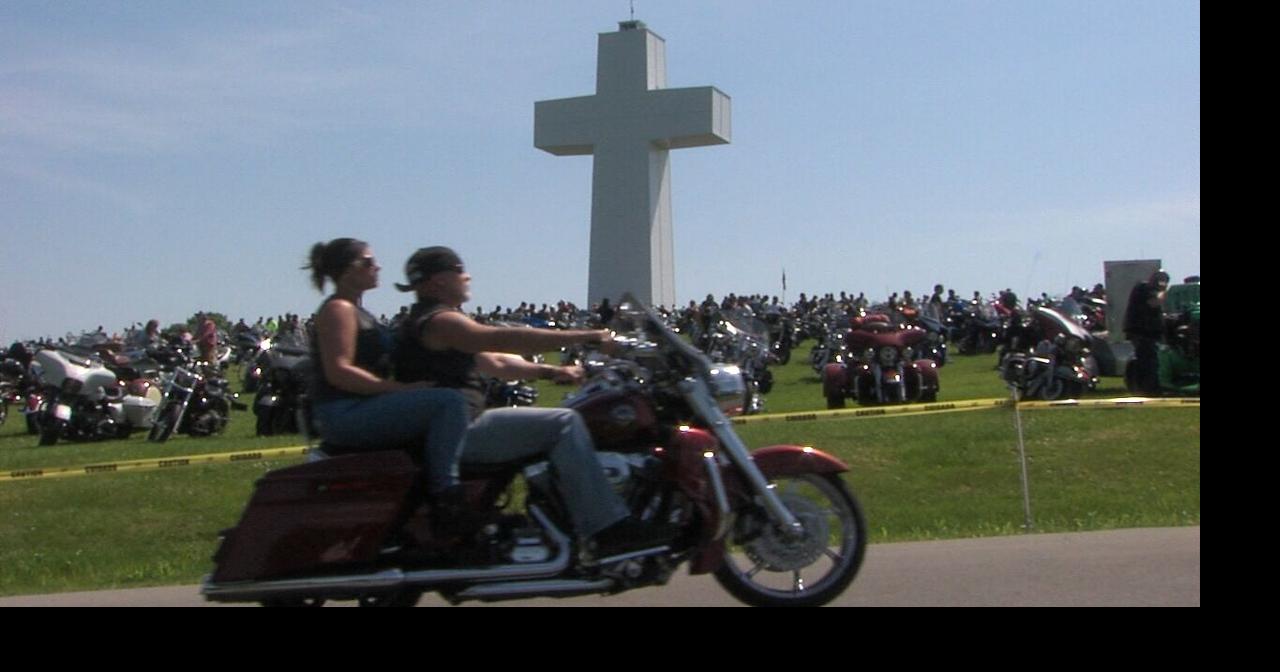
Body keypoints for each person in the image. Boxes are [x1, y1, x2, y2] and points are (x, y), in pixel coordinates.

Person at [392, 246, 676, 558]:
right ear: (438, 281)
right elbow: (499, 339)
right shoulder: (441, 321)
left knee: (560, 417)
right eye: (459, 269)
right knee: (564, 423)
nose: (467, 275)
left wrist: (553, 371)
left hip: (459, 426)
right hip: (461, 431)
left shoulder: (434, 322)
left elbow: (497, 363)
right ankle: (606, 527)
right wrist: (587, 336)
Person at [304, 238, 472, 508]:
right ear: (347, 270)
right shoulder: (339, 310)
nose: (378, 266)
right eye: (368, 262)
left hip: (358, 407)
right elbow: (340, 372)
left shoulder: (359, 311)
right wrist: (401, 390)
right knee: (449, 402)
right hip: (343, 413)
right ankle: (446, 495)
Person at [1124, 270, 1170, 395]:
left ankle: (1150, 387)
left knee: (1151, 360)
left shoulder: (1149, 290)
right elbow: (1153, 303)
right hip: (1142, 332)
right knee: (1148, 361)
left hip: (1150, 333)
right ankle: (1149, 389)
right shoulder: (1143, 288)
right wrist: (1164, 292)